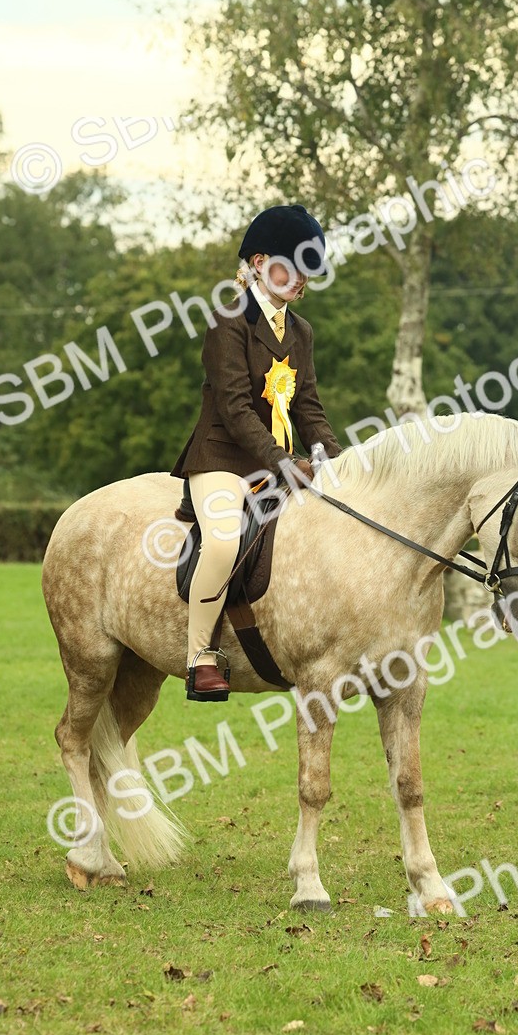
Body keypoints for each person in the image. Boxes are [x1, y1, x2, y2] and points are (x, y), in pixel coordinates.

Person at [171, 204, 343, 701]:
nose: (303, 280)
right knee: (224, 540)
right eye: (294, 267)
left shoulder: (302, 332)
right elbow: (234, 408)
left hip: (278, 463)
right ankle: (200, 655)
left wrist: (337, 459)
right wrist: (283, 462)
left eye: (310, 271)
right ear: (259, 263)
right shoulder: (228, 322)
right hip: (222, 459)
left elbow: (308, 406)